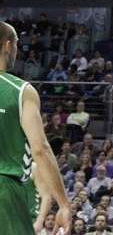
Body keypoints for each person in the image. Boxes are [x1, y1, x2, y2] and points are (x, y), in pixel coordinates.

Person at [0, 21, 71, 234]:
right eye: (16, 45)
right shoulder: (21, 91)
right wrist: (64, 204)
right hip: (5, 191)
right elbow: (40, 149)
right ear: (7, 45)